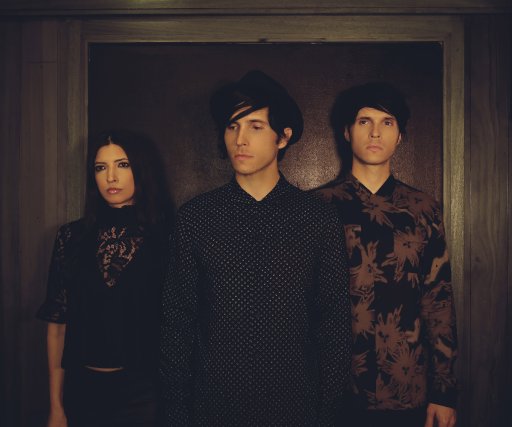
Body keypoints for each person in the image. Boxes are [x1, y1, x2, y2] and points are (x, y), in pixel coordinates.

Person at [160, 70, 351, 426]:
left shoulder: (317, 218)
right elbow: (177, 321)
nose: (240, 139)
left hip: (296, 409)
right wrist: (177, 414)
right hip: (212, 410)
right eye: (232, 126)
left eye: (255, 126)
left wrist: (328, 414)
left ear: (283, 137)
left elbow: (335, 324)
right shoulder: (196, 217)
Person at [317, 82, 458, 427]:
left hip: (406, 388)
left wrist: (444, 392)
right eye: (364, 121)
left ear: (400, 137)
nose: (375, 132)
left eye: (387, 122)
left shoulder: (423, 209)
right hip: (331, 390)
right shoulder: (317, 207)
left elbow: (438, 300)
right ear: (347, 132)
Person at [37, 130, 173, 427]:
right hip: (82, 392)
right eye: (101, 167)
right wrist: (56, 406)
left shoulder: (168, 236)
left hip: (145, 395)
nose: (111, 177)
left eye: (122, 165)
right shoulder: (71, 237)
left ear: (142, 169)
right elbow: (57, 328)